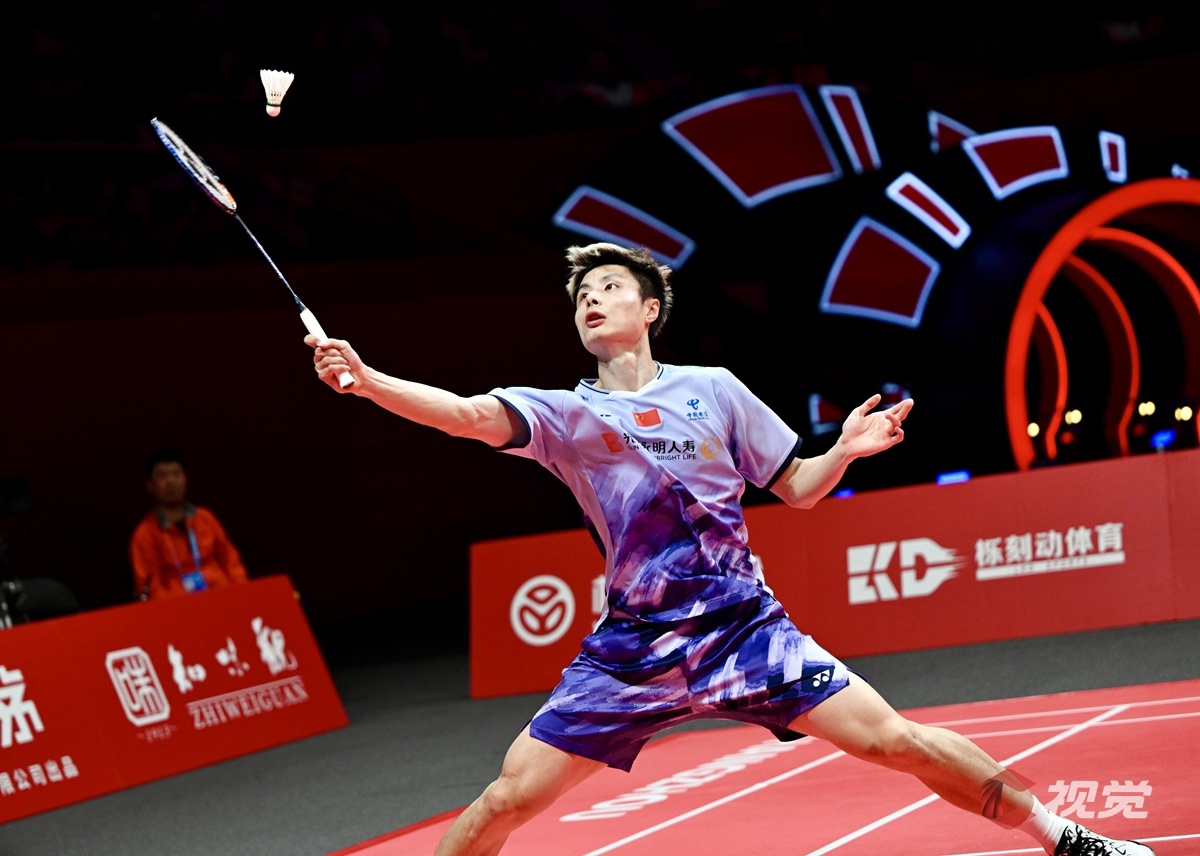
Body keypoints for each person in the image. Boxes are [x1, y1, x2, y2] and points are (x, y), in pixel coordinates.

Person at [306, 243, 1154, 856]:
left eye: (610, 288)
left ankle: (1065, 839)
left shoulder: (713, 392)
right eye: (582, 296)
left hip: (744, 630)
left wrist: (844, 451)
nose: (592, 301)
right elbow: (463, 414)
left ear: (650, 310)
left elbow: (799, 487)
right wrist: (369, 381)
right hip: (633, 650)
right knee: (506, 800)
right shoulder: (566, 415)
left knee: (895, 741)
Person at [129, 447, 250, 600]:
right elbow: (149, 588)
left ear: (185, 479)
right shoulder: (144, 534)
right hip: (177, 606)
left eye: (176, 474)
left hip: (223, 597)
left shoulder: (206, 518)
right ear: (150, 486)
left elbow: (231, 562)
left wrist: (244, 594)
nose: (171, 481)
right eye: (162, 476)